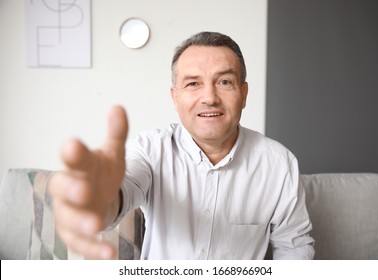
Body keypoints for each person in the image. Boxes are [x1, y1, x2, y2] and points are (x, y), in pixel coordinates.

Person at [49, 31, 315, 260]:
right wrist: (98, 199)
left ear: (243, 94)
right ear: (175, 98)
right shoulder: (151, 150)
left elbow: (294, 246)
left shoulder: (278, 163)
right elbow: (121, 191)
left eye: (224, 82)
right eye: (193, 84)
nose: (209, 98)